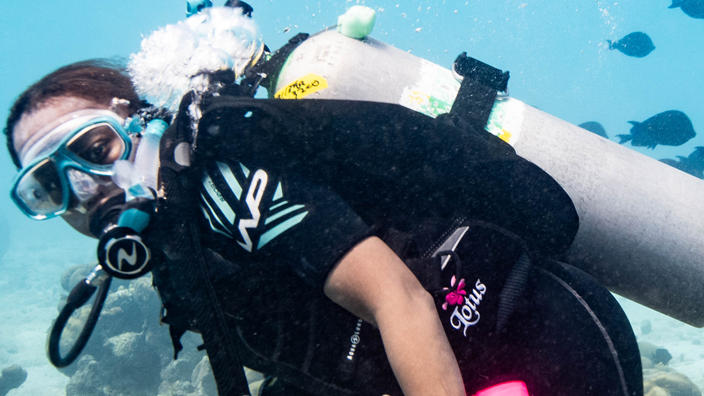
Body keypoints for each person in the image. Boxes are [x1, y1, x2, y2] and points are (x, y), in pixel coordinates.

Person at [5, 30, 643, 396]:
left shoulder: (227, 190)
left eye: (94, 150)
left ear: (142, 125)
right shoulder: (177, 242)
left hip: (548, 345)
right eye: (49, 187)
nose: (84, 190)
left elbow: (399, 300)